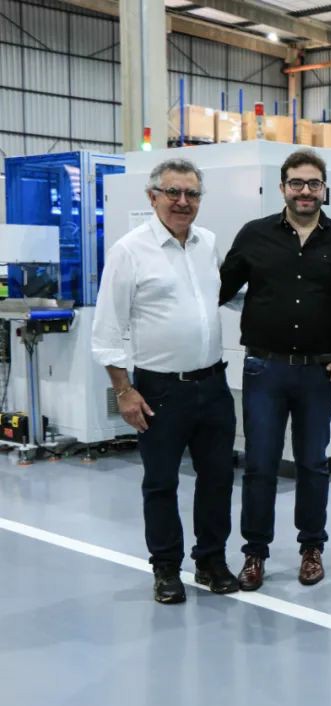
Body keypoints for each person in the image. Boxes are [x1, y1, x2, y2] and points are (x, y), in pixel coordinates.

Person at [92, 158, 238, 604]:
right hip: (159, 390)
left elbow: (227, 296)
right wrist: (124, 391)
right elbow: (107, 330)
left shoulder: (207, 243)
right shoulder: (129, 251)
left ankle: (211, 560)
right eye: (173, 192)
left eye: (192, 193)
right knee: (161, 482)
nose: (182, 201)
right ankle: (166, 569)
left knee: (217, 478)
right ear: (152, 196)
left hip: (213, 385)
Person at [219, 150, 331, 591]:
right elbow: (217, 289)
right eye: (296, 183)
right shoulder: (254, 235)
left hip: (319, 372)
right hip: (265, 369)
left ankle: (311, 548)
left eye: (313, 183)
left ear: (324, 189)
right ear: (282, 188)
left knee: (313, 464)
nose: (305, 191)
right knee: (260, 464)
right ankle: (255, 553)